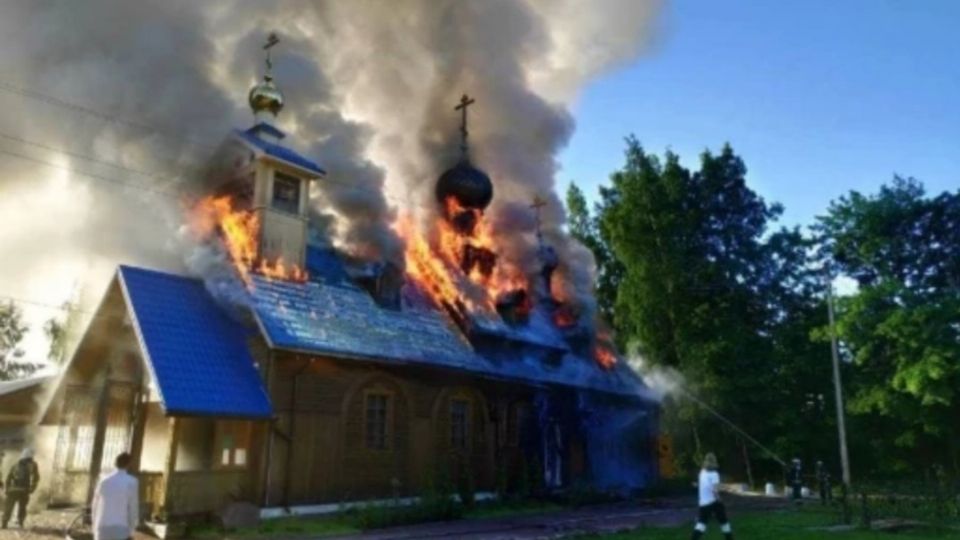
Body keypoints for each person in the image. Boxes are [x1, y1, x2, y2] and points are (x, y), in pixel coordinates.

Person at [92, 452, 139, 540]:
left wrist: (94, 527)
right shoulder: (132, 482)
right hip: (121, 527)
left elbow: (95, 506)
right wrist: (132, 529)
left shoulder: (103, 481)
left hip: (102, 526)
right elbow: (133, 507)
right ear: (129, 464)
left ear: (115, 463)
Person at [691, 452, 734, 540]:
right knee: (724, 521)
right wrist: (719, 499)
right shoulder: (714, 474)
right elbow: (715, 490)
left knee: (701, 523)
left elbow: (703, 484)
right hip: (713, 502)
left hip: (703, 502)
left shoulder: (702, 472)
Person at [2, 448, 40, 529]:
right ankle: (20, 522)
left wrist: (7, 488)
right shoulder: (33, 465)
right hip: (24, 490)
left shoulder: (16, 465)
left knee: (8, 507)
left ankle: (4, 523)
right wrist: (32, 488)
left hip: (13, 490)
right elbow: (36, 478)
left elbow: (8, 478)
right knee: (22, 507)